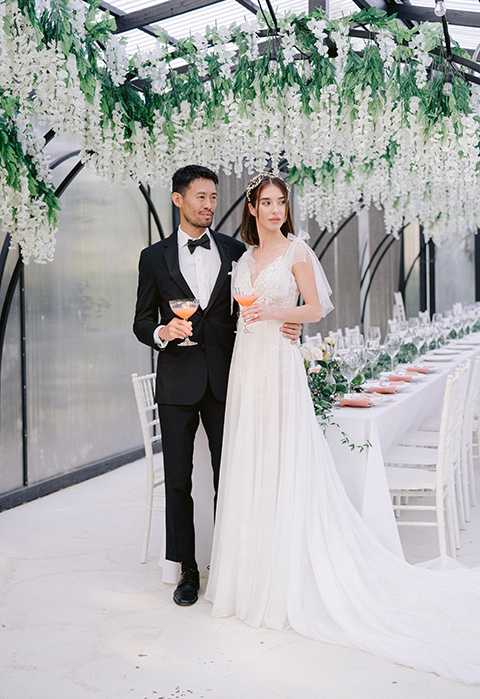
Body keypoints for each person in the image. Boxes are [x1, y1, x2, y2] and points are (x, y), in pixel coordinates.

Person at [205, 172, 480, 684]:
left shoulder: (297, 251)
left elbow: (317, 306)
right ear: (251, 207)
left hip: (281, 365)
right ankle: (250, 576)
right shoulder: (242, 260)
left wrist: (284, 313)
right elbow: (235, 315)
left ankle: (286, 579)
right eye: (265, 202)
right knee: (251, 461)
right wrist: (260, 317)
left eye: (281, 202)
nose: (274, 210)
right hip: (248, 368)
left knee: (283, 458)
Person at [133, 165, 301, 607]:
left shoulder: (235, 251)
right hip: (176, 385)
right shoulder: (153, 257)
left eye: (213, 197)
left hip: (230, 382)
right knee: (178, 482)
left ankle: (231, 565)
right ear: (178, 200)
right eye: (201, 197)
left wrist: (291, 325)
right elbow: (140, 320)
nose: (209, 205)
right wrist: (161, 333)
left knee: (233, 475)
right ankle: (186, 571)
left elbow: (267, 299)